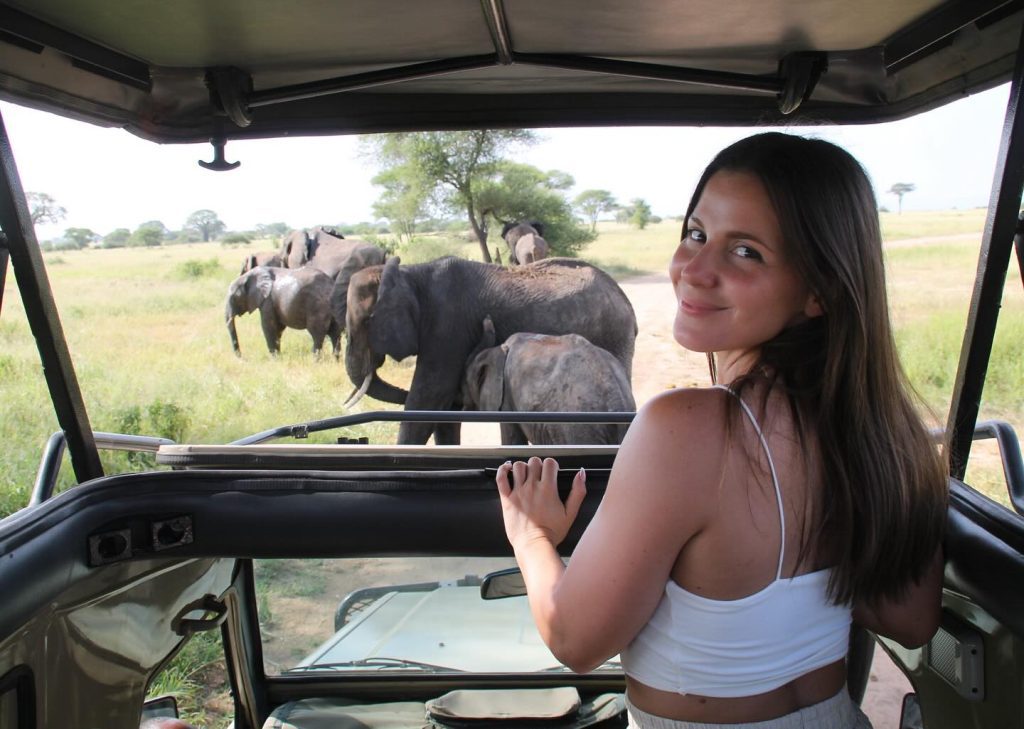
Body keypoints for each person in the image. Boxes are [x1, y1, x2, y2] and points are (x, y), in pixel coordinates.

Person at [495, 132, 948, 729]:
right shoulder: (883, 430)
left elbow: (575, 640)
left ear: (818, 291)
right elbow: (912, 619)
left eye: (747, 252)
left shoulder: (684, 428)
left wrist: (532, 538)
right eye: (697, 234)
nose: (694, 270)